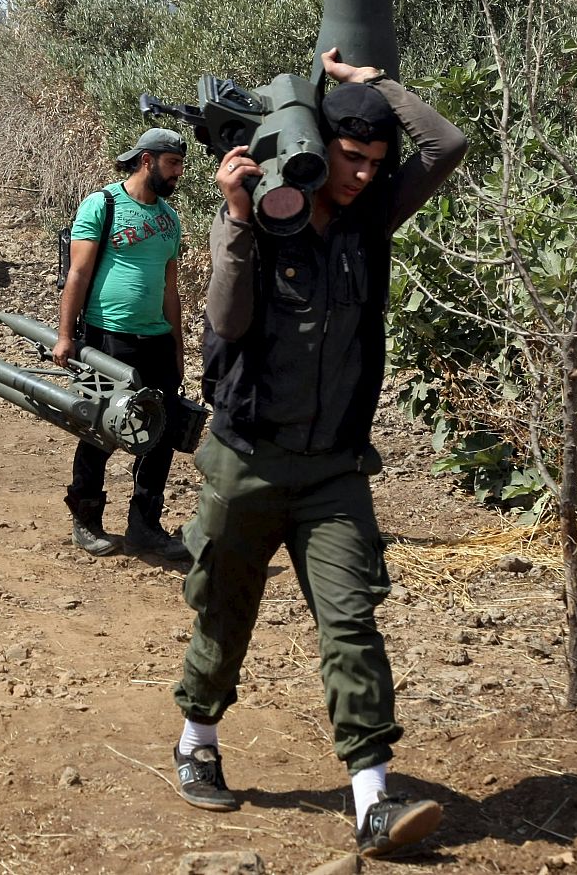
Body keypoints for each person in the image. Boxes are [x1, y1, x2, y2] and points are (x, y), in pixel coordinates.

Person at [168, 48, 468, 859]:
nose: (365, 176)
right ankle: (198, 737)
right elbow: (226, 324)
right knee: (225, 611)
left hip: (335, 467)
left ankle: (372, 797)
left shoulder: (373, 220)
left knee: (351, 621)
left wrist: (370, 88)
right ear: (315, 142)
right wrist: (233, 217)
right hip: (247, 458)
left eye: (375, 163)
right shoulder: (265, 213)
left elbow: (445, 147)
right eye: (351, 157)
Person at [54, 128, 192, 563]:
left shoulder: (170, 218)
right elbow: (77, 273)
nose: (178, 174)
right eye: (172, 164)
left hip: (155, 341)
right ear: (147, 160)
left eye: (181, 165)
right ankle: (87, 519)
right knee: (99, 428)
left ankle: (145, 528)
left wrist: (177, 343)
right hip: (106, 338)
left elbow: (170, 287)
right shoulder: (104, 204)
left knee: (162, 433)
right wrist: (64, 336)